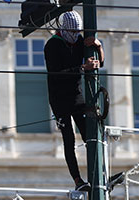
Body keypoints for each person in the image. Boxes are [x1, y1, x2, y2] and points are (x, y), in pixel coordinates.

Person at [44, 11, 105, 192]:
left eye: (78, 32)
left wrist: (98, 46)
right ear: (64, 30)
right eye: (72, 33)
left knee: (90, 133)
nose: (75, 36)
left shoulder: (79, 41)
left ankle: (100, 173)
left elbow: (99, 63)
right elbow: (56, 74)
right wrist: (82, 67)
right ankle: (78, 180)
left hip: (76, 95)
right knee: (69, 139)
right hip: (59, 98)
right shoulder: (52, 45)